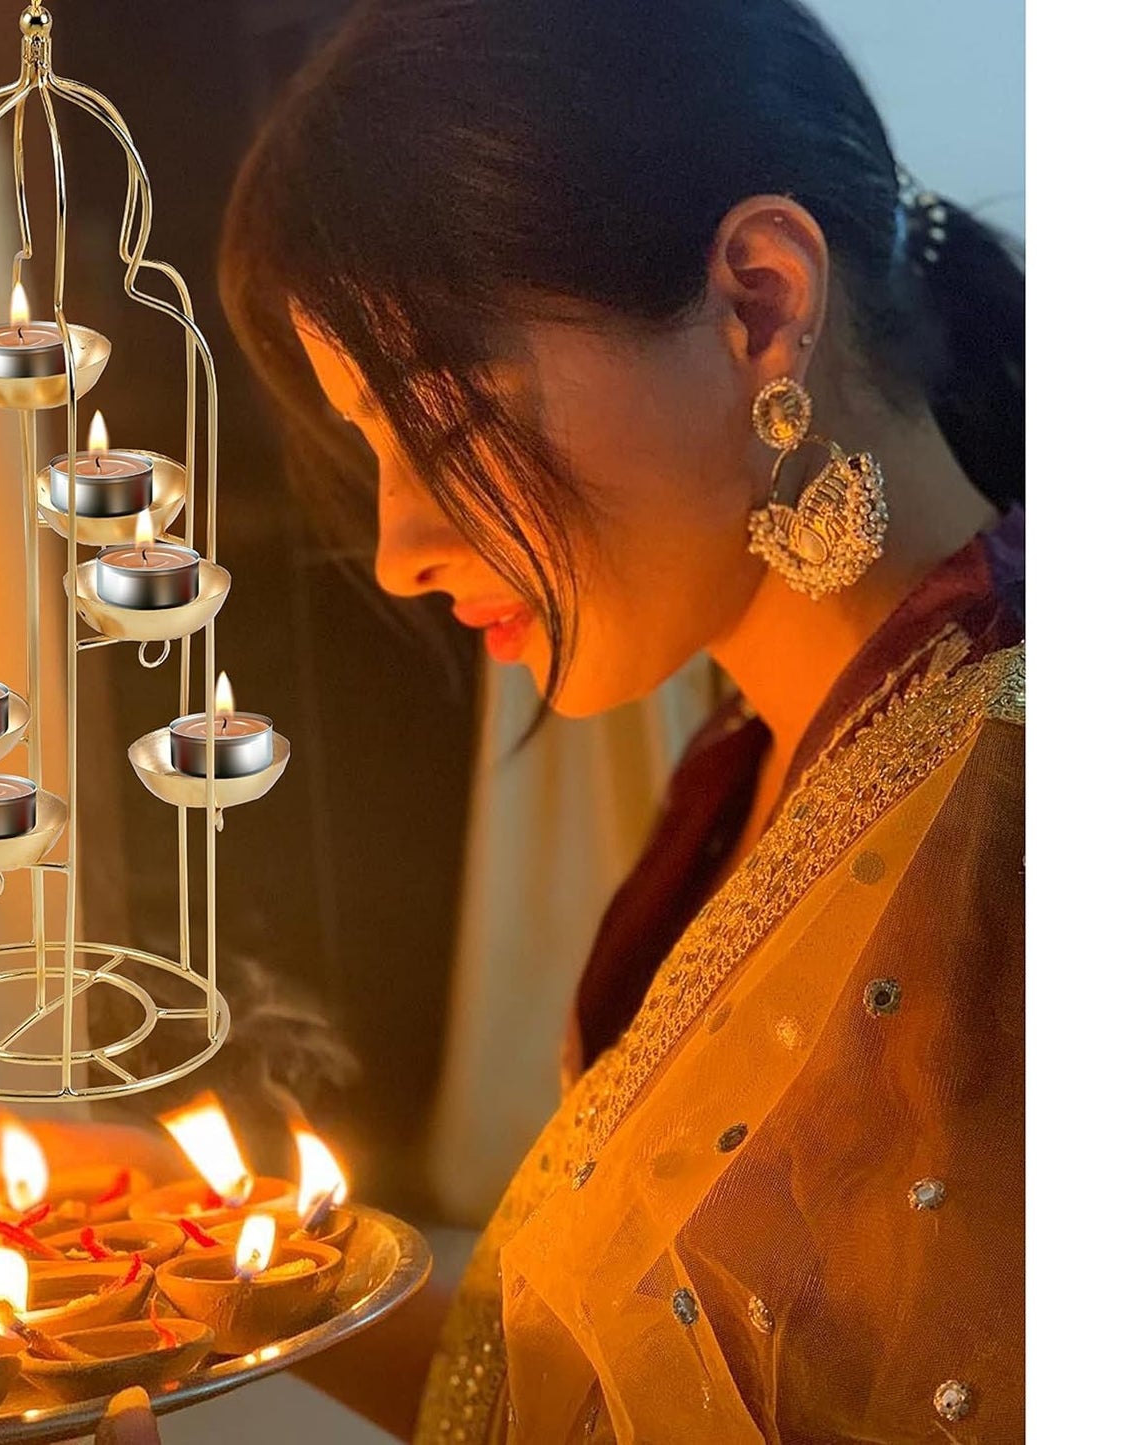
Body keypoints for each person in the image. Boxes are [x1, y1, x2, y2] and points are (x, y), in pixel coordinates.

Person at [219, 0, 1023, 1440]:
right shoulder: (759, 751)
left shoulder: (1013, 823)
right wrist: (223, 1267)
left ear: (761, 299)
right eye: (373, 448)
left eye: (449, 429)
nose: (399, 547)